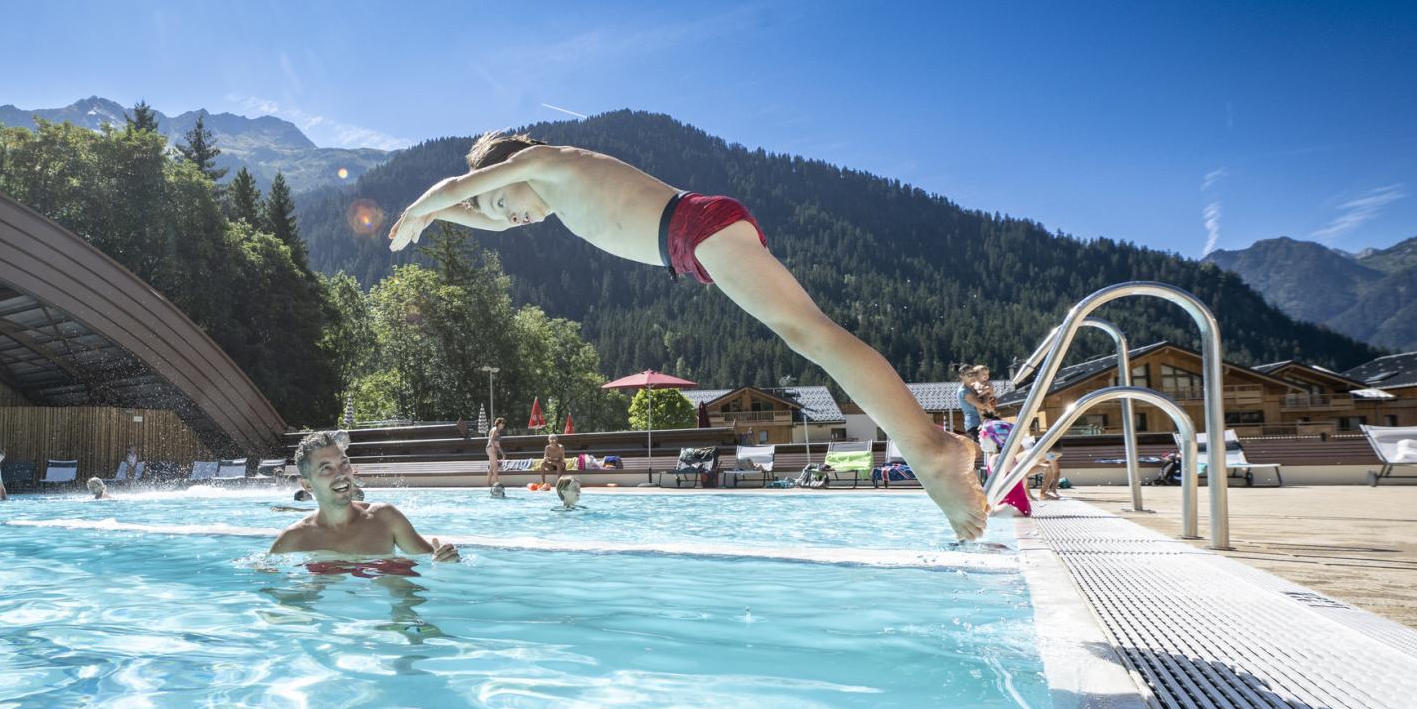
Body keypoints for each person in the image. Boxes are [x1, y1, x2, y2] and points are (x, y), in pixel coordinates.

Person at [391, 133, 986, 540]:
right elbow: (477, 208)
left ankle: (933, 451)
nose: (504, 217)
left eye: (499, 200)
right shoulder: (546, 195)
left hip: (698, 226)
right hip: (692, 241)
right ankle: (931, 450)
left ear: (514, 168)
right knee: (807, 333)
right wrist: (441, 216)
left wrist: (421, 207)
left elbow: (455, 186)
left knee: (811, 334)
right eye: (493, 212)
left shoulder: (553, 160)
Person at [272, 431, 459, 561]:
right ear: (307, 485)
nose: (341, 473)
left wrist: (445, 559)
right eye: (326, 468)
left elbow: (429, 560)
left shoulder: (385, 518)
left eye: (343, 463)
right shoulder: (294, 538)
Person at [485, 416, 507, 497]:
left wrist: (502, 453)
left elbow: (498, 445)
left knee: (491, 467)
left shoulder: (496, 430)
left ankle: (488, 483)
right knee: (495, 467)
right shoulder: (495, 430)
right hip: (491, 449)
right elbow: (491, 439)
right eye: (502, 423)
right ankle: (497, 484)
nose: (503, 425)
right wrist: (494, 448)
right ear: (499, 423)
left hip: (491, 449)